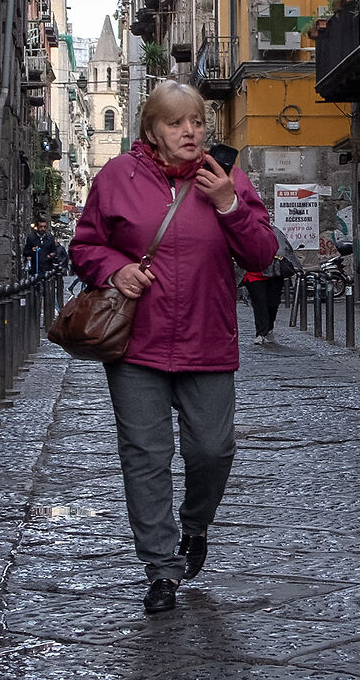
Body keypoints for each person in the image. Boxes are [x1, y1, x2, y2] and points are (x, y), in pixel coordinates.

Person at [71, 80, 277, 613]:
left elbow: (262, 253)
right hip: (136, 342)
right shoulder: (117, 178)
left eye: (198, 123)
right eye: (176, 123)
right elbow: (86, 244)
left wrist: (229, 203)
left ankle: (196, 525)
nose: (190, 131)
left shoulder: (226, 179)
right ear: (151, 132)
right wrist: (116, 270)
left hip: (207, 339)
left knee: (213, 449)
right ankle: (161, 568)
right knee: (145, 455)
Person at [243, 233, 297, 346]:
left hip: (274, 274)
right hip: (254, 275)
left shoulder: (276, 235)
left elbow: (285, 251)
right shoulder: (246, 234)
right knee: (260, 304)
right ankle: (260, 333)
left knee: (273, 304)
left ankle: (269, 328)